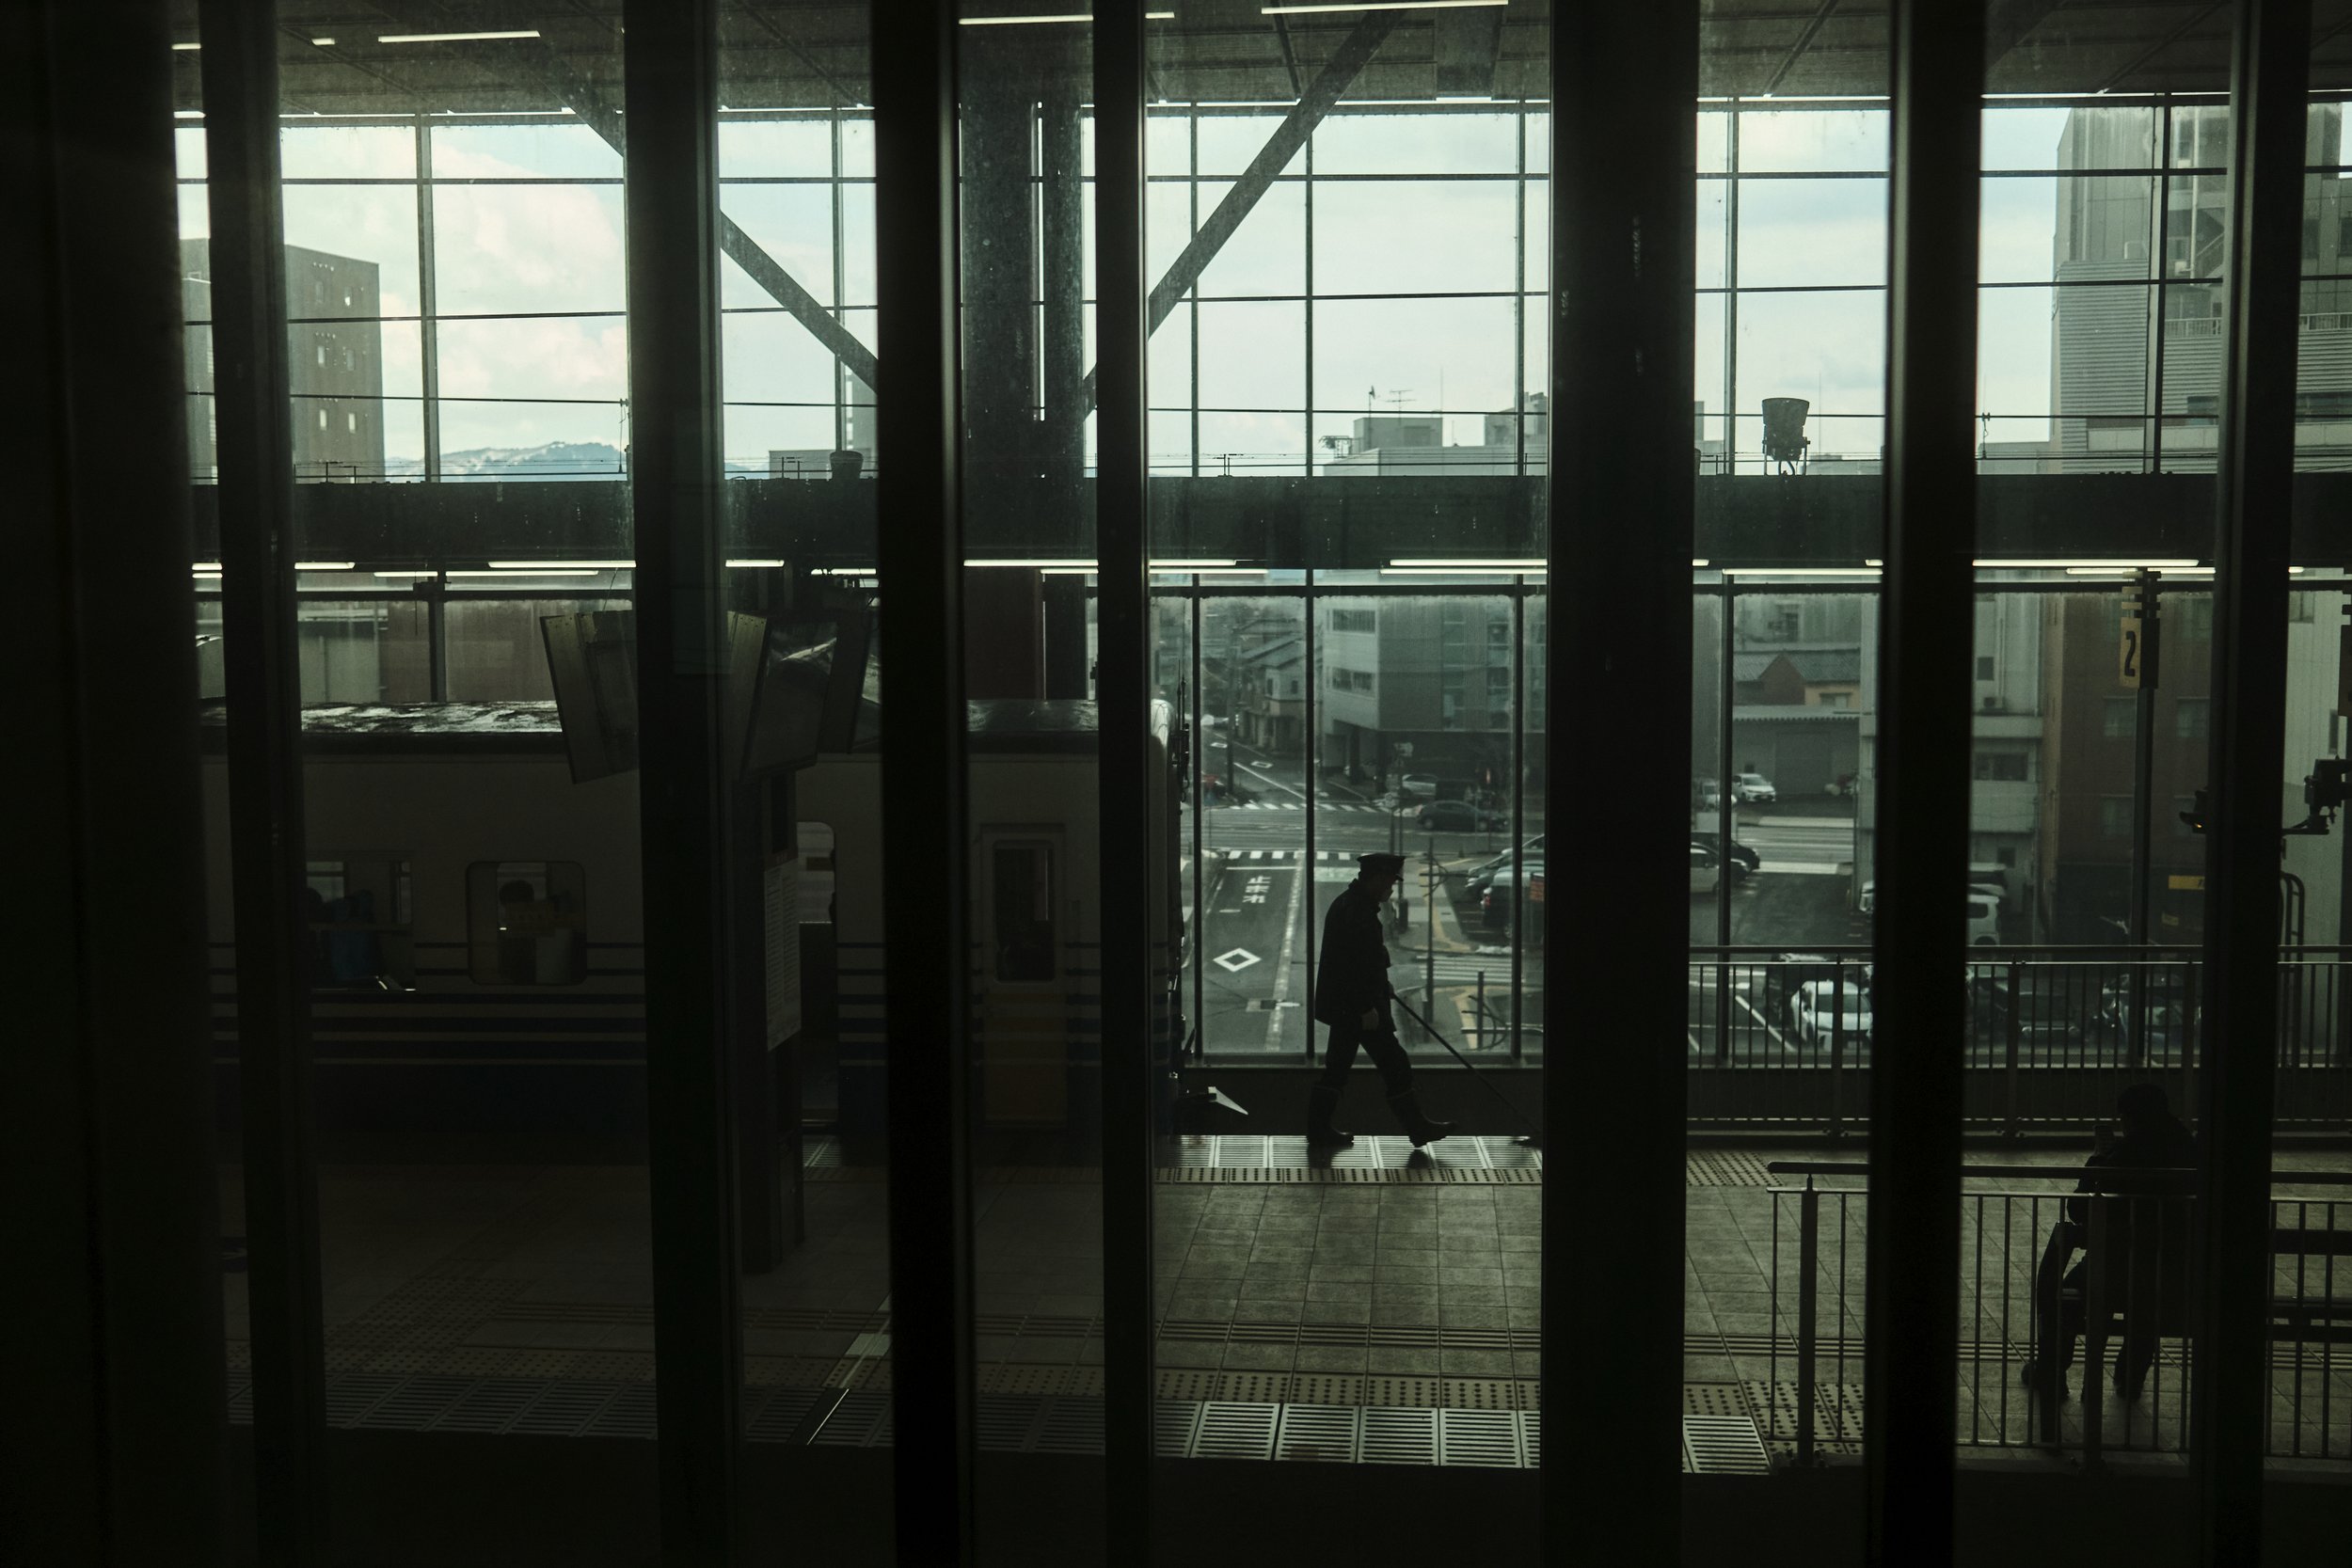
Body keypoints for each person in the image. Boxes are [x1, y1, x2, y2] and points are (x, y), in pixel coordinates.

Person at [2025, 1083, 2196, 1403]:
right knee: (2145, 1306)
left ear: (2128, 1118)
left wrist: (2097, 1160)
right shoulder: (2187, 1147)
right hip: (2174, 1273)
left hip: (2117, 1267)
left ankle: (2052, 1370)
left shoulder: (2126, 1154)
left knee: (2062, 1296)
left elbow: (2080, 1208)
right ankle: (2130, 1374)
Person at [1306, 851, 1454, 1148]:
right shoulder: (1357, 911)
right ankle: (1417, 1127)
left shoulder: (1353, 905)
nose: (1392, 887)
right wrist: (1365, 1008)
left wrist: (1380, 983)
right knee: (1394, 1064)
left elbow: (1364, 961)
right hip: (1360, 1010)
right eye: (1389, 881)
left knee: (1339, 1069)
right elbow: (1352, 966)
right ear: (1376, 879)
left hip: (1350, 1007)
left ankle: (1319, 1130)